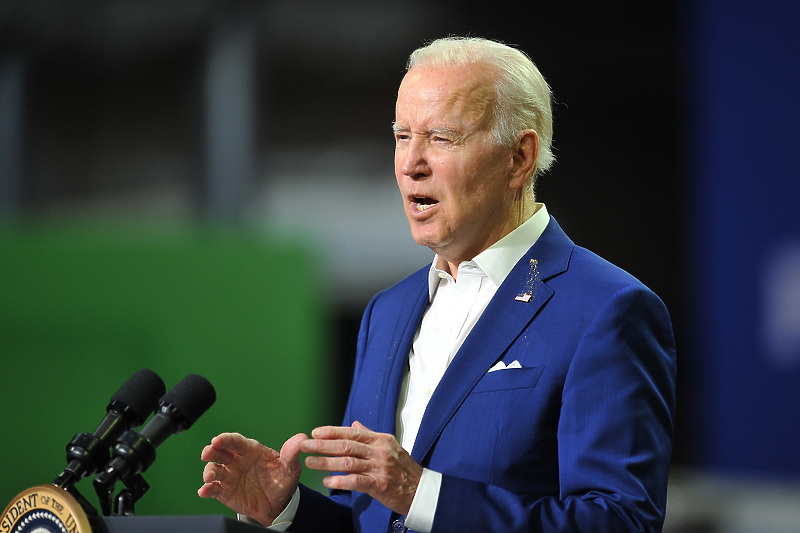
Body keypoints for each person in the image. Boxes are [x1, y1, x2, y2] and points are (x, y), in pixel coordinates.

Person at [198, 36, 676, 532]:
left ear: (519, 158)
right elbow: (370, 520)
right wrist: (288, 510)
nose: (411, 164)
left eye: (441, 138)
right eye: (402, 136)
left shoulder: (606, 310)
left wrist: (420, 491)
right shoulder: (386, 313)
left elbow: (620, 523)